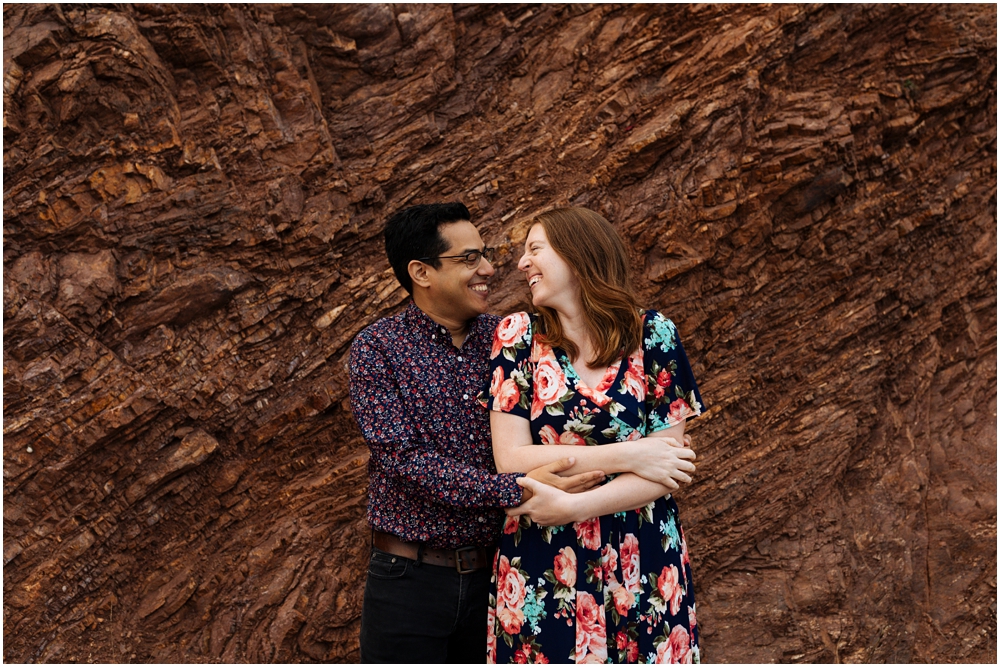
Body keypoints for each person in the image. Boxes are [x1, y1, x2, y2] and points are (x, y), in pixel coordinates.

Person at [349, 203, 696, 663]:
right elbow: (406, 460)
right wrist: (517, 488)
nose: (492, 269)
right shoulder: (379, 349)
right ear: (422, 272)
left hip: (503, 561)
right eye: (470, 259)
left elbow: (667, 456)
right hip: (413, 575)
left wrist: (644, 458)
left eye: (488, 255)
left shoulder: (513, 336)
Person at [483, 207, 703, 664]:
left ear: (578, 255)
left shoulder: (655, 335)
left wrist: (572, 506)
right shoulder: (518, 336)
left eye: (534, 249)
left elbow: (669, 467)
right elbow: (510, 458)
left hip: (643, 557)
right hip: (542, 561)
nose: (522, 264)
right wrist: (635, 453)